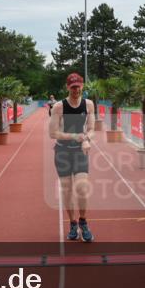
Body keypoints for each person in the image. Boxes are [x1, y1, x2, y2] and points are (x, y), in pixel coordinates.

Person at [49, 73, 96, 242]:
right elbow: (52, 133)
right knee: (67, 189)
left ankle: (83, 221)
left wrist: (86, 139)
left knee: (82, 188)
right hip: (62, 151)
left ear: (82, 86)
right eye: (73, 87)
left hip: (79, 151)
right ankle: (72, 223)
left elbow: (91, 128)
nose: (76, 89)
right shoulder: (58, 107)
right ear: (67, 87)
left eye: (78, 86)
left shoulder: (88, 105)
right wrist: (76, 136)